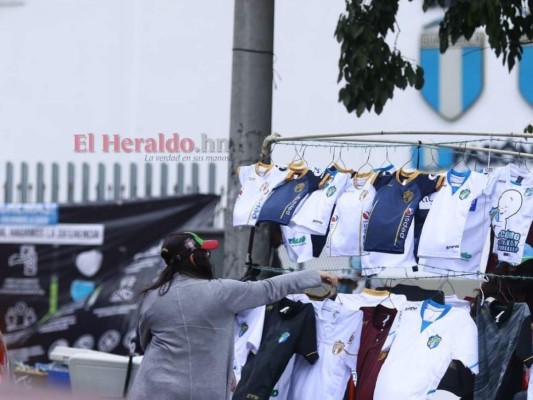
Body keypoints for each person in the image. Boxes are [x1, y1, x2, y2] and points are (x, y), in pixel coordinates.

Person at [128, 231, 338, 400]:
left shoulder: (152, 297)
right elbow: (269, 288)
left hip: (150, 389)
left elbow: (147, 343)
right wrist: (314, 275)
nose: (209, 258)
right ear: (193, 258)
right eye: (205, 253)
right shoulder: (221, 292)